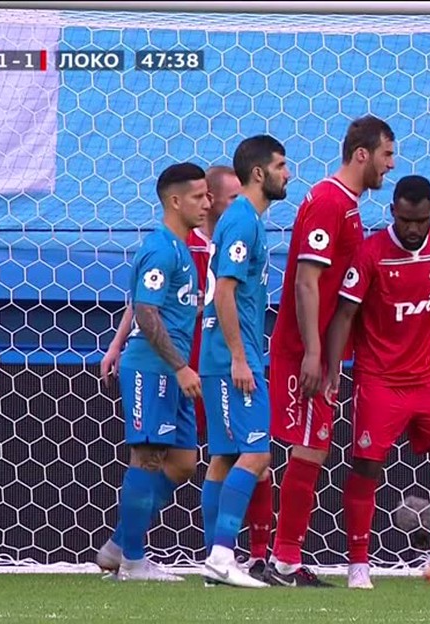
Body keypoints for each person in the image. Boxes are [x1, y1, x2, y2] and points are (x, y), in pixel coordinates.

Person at [254, 115, 396, 586]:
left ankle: (276, 557)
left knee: (307, 447)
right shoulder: (330, 202)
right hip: (304, 349)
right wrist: (314, 352)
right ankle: (278, 559)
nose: (390, 165)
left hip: (322, 349)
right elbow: (306, 281)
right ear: (362, 154)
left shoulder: (345, 204)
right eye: (386, 155)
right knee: (305, 448)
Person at [324, 175, 430, 590]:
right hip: (379, 377)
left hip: (427, 374)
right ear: (392, 212)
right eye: (405, 219)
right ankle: (358, 565)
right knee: (367, 466)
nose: (413, 228)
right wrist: (334, 368)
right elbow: (345, 314)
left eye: (421, 220)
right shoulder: (371, 253)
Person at [93, 163, 210, 581]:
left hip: (170, 367)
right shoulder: (162, 248)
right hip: (153, 366)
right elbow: (146, 310)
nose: (206, 203)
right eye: (198, 196)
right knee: (146, 459)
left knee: (183, 462)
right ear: (175, 201)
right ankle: (133, 560)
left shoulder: (180, 248)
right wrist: (180, 366)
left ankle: (118, 545)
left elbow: (149, 302)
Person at [199, 135, 290, 588]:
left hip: (222, 353)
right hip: (233, 356)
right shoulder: (243, 221)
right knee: (256, 454)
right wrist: (240, 357)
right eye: (281, 165)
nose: (287, 174)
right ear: (259, 173)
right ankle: (221, 555)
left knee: (224, 457)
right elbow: (226, 292)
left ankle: (215, 558)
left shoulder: (244, 220)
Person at [100, 165, 242, 444]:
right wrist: (117, 344)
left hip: (217, 356)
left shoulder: (233, 245)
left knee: (211, 448)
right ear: (212, 198)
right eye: (235, 198)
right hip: (175, 356)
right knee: (156, 451)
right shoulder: (176, 246)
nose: (243, 206)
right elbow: (143, 302)